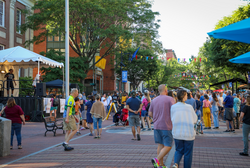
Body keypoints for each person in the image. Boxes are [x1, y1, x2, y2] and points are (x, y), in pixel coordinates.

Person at [149, 85, 175, 168]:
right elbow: (174, 110)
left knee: (160, 145)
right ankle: (157, 159)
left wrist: (156, 118)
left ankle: (161, 164)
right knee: (168, 145)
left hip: (157, 125)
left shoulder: (154, 100)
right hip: (166, 125)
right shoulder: (170, 99)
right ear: (166, 90)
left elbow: (150, 113)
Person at [171, 89, 197, 168]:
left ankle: (176, 163)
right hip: (188, 133)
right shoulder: (189, 107)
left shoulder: (173, 107)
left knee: (178, 150)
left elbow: (172, 118)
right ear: (184, 97)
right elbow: (195, 119)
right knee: (188, 153)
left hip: (177, 132)